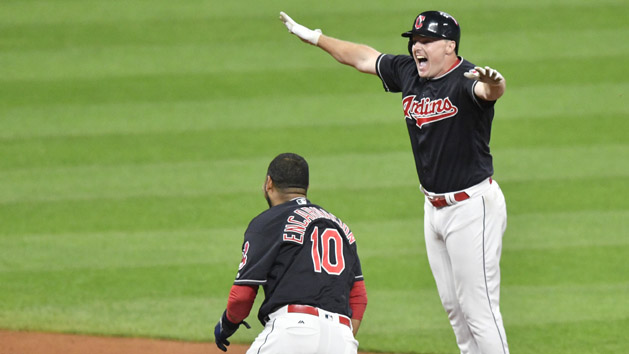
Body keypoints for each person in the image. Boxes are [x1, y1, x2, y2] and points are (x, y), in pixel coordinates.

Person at [279, 10, 509, 354]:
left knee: (480, 311)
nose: (418, 47)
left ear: (449, 46)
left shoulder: (467, 79)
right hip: (434, 208)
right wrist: (315, 37)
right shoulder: (409, 73)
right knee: (456, 313)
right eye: (415, 40)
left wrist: (496, 83)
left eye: (427, 41)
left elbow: (488, 91)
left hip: (472, 207)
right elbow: (362, 57)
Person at [214, 153, 368, 353]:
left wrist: (227, 324)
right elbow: (358, 297)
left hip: (293, 332)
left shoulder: (267, 222)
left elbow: (241, 297)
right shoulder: (340, 227)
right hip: (342, 338)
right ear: (306, 188)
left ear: (269, 183)